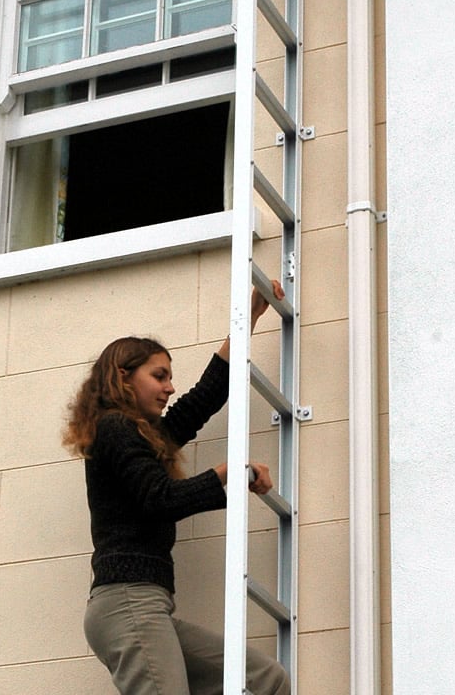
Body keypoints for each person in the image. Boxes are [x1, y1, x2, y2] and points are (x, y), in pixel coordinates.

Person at [62, 281, 290, 695]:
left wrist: (250, 316)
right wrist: (226, 474)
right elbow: (160, 499)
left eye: (170, 378)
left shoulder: (143, 437)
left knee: (264, 679)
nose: (169, 387)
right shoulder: (115, 428)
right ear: (123, 377)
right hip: (128, 603)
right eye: (159, 376)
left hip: (148, 605)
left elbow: (202, 400)